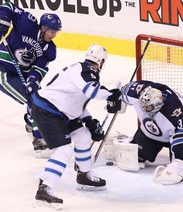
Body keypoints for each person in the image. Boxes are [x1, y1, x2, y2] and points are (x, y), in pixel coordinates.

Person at [30, 44, 120, 205]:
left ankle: (83, 175)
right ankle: (45, 188)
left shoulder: (81, 70)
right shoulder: (86, 72)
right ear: (101, 61)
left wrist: (89, 121)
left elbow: (75, 101)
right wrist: (113, 95)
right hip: (48, 110)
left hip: (59, 110)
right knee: (64, 149)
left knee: (84, 136)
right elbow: (93, 91)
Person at [0, 1, 62, 156]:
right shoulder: (27, 23)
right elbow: (8, 5)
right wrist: (3, 19)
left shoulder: (50, 49)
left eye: (56, 32)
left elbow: (39, 68)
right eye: (51, 31)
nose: (53, 35)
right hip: (4, 73)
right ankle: (39, 140)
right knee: (32, 101)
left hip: (22, 75)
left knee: (39, 98)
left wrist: (32, 81)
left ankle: (31, 122)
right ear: (43, 28)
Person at [107, 80, 183, 185]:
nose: (146, 111)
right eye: (144, 107)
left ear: (160, 103)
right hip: (149, 133)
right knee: (135, 157)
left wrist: (179, 163)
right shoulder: (136, 92)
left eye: (149, 108)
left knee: (180, 161)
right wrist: (117, 99)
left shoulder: (176, 112)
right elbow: (123, 91)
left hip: (176, 135)